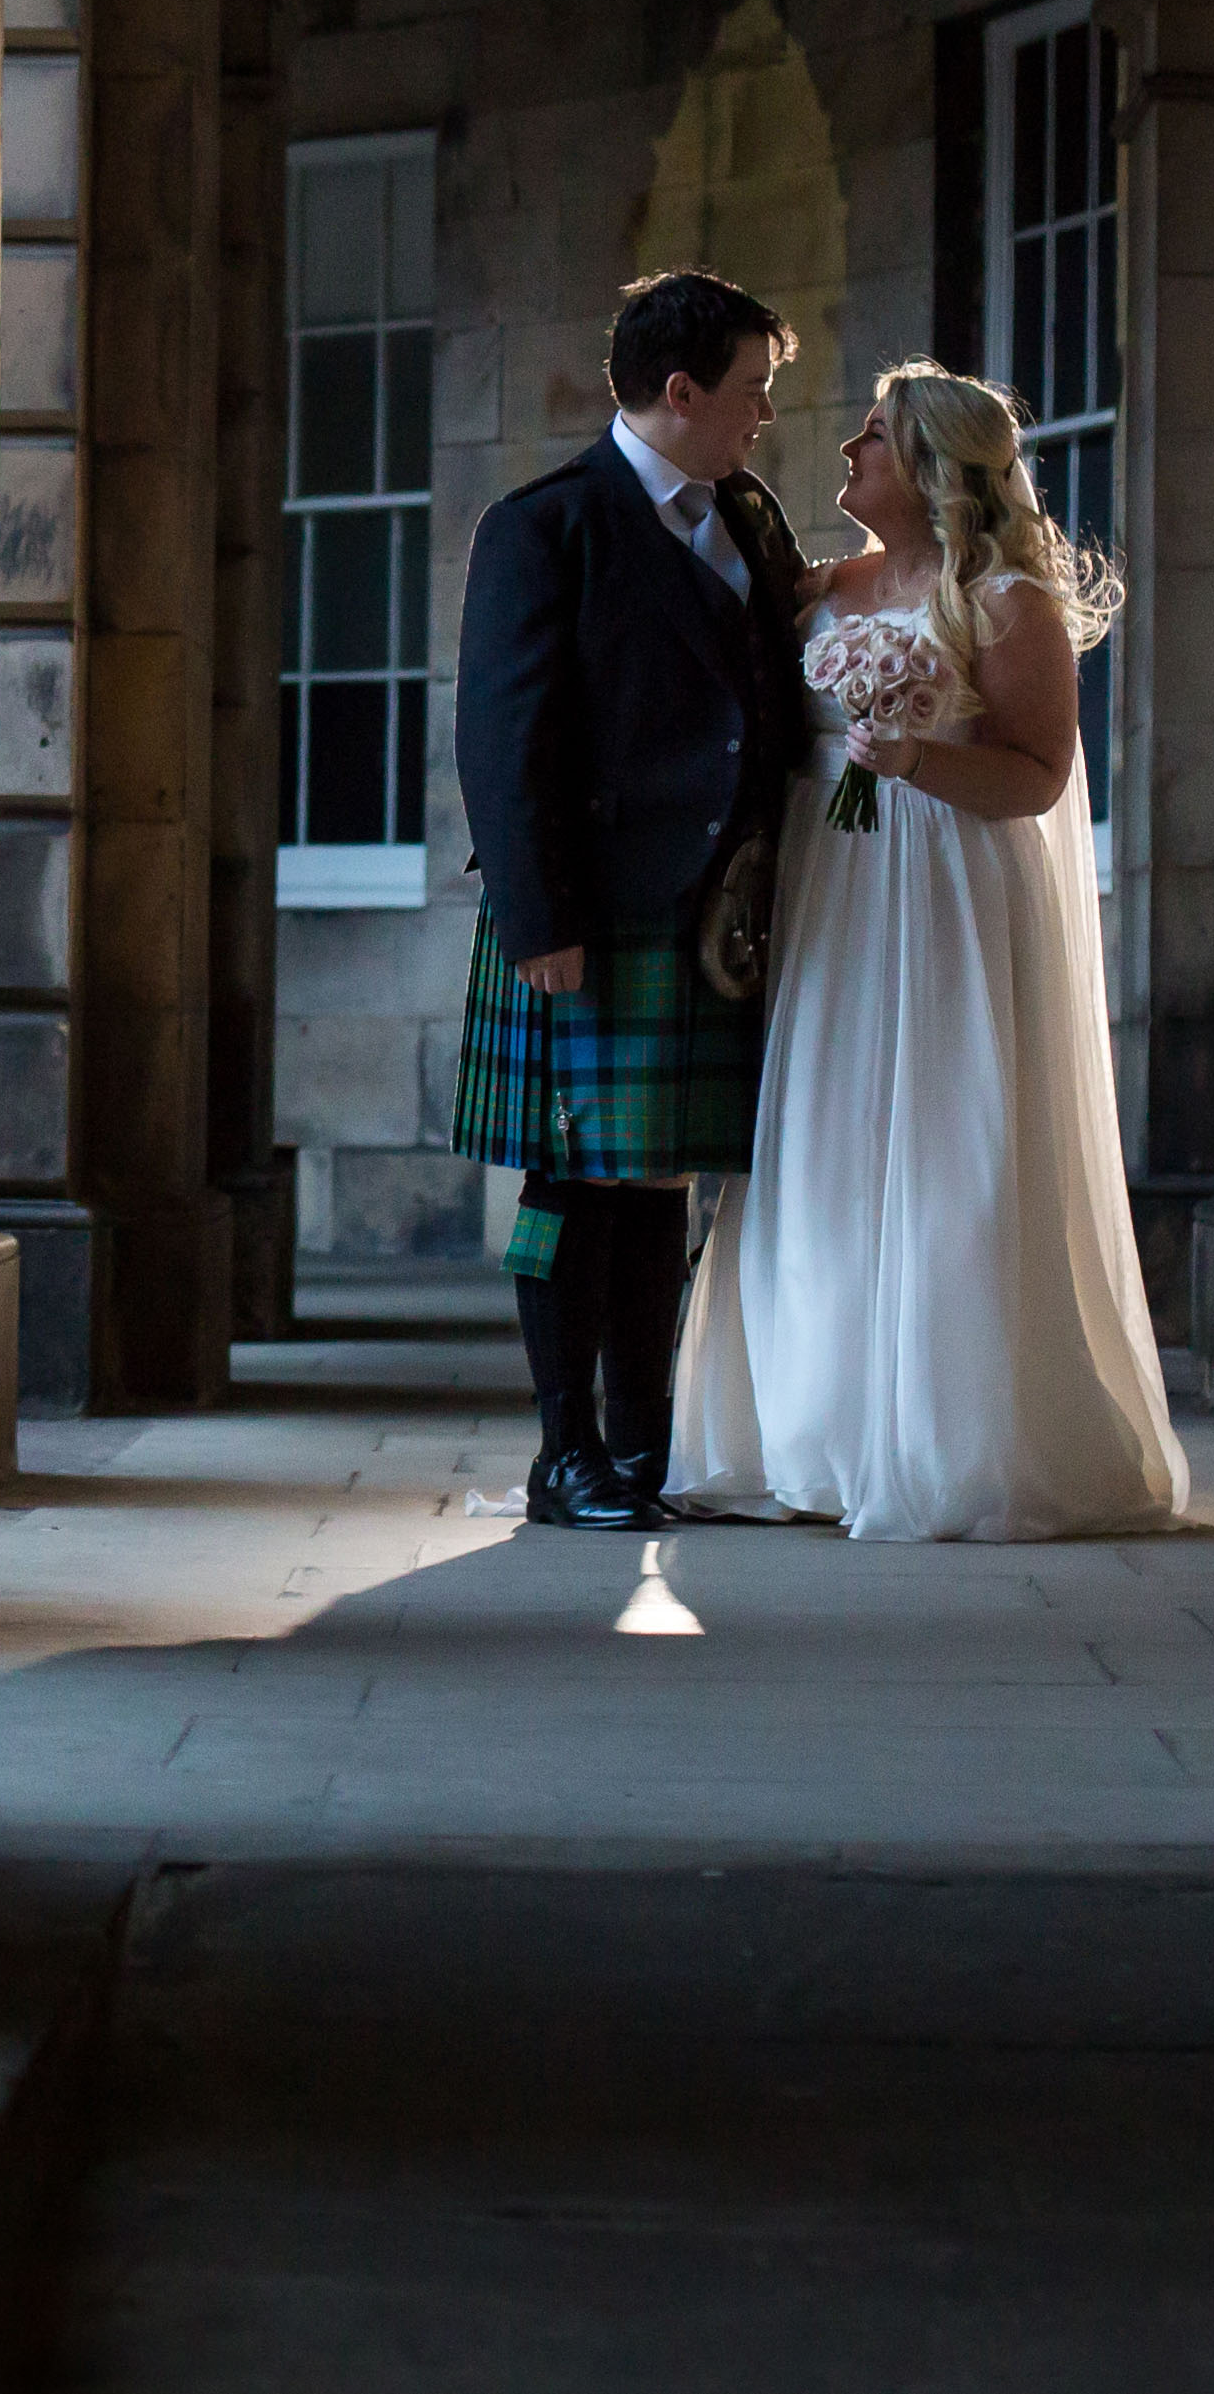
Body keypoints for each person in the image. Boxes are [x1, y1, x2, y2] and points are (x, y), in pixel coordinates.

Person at [669, 362, 1191, 1541]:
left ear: (932, 466)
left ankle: (951, 1435)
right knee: (820, 1139)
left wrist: (914, 761)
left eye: (874, 433)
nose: (847, 446)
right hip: (831, 891)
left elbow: (1041, 773)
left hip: (943, 889)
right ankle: (814, 1430)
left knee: (950, 1141)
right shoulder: (825, 584)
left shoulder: (1006, 599)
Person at [443, 271, 814, 1529]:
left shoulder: (748, 515)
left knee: (657, 1181)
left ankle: (640, 1446)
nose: (763, 413)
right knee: (565, 1183)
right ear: (680, 389)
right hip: (590, 909)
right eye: (752, 388)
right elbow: (502, 737)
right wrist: (541, 917)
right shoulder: (544, 524)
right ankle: (563, 1452)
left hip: (714, 912)